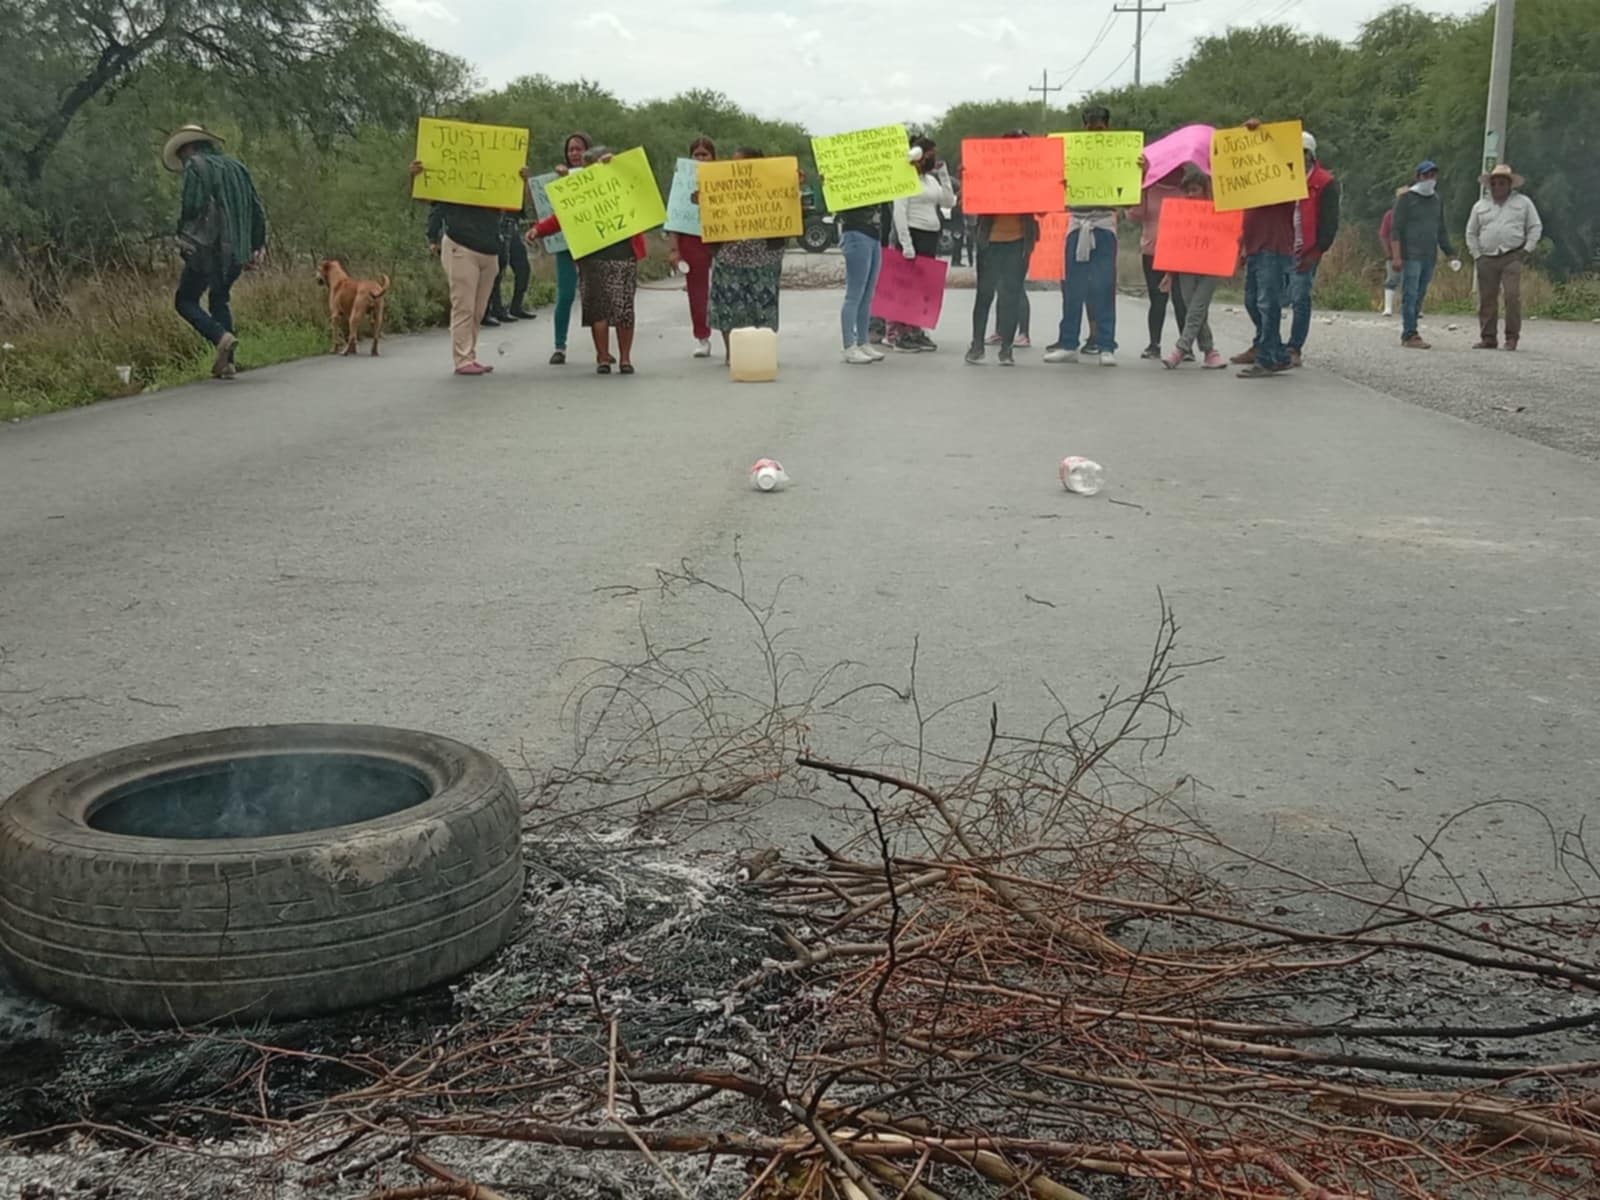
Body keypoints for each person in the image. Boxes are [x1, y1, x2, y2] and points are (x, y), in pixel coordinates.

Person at [163, 124, 267, 379]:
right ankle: (228, 364)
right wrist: (257, 245)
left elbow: (191, 207)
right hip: (238, 250)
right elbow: (257, 209)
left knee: (184, 300)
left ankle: (219, 336)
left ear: (188, 146)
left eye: (181, 153)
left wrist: (182, 236)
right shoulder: (237, 167)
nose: (182, 159)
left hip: (208, 249)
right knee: (219, 298)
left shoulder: (196, 166)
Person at [531, 147, 642, 374]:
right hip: (595, 255)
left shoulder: (618, 185)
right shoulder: (584, 190)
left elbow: (640, 192)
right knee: (603, 310)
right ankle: (608, 357)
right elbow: (562, 216)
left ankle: (619, 358)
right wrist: (538, 230)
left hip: (619, 253)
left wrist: (617, 165)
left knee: (619, 310)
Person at [411, 158, 521, 376]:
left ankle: (469, 354)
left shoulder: (495, 183)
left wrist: (521, 181)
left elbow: (515, 207)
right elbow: (430, 199)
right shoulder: (455, 182)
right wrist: (416, 176)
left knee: (478, 309)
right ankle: (462, 359)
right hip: (461, 246)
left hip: (489, 249)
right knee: (463, 304)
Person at [1045, 105, 1120, 366]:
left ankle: (1106, 345)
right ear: (1084, 126)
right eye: (1090, 126)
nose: (1094, 131)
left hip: (1104, 225)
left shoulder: (1121, 152)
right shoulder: (1071, 153)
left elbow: (1131, 190)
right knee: (1073, 287)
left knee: (1105, 286)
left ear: (1107, 126)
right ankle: (1068, 342)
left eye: (1099, 127)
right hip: (1077, 224)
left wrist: (1140, 170)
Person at [708, 147, 793, 360]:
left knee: (763, 307)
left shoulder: (773, 185)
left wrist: (793, 183)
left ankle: (762, 352)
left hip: (764, 257)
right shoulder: (723, 186)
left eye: (742, 163)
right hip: (730, 256)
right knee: (728, 306)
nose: (735, 167)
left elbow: (789, 206)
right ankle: (732, 354)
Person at [1230, 119, 1296, 379]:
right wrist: (1244, 246)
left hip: (1274, 246)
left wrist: (1261, 133)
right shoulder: (1251, 185)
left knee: (1268, 304)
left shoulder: (1285, 181)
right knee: (1252, 302)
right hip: (1256, 247)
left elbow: (1278, 155)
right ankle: (1275, 351)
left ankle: (1267, 358)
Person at [966, 130, 1037, 367]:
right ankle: (977, 345)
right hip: (990, 242)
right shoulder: (988, 172)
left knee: (1011, 295)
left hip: (1019, 243)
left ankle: (1006, 348)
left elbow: (1044, 209)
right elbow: (966, 201)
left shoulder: (1033, 175)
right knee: (984, 294)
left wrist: (1054, 189)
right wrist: (969, 179)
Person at [888, 137, 955, 352]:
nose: (932, 158)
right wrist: (906, 243)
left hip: (930, 236)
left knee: (923, 288)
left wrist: (943, 176)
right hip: (913, 235)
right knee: (908, 287)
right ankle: (901, 335)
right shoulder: (904, 179)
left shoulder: (930, 180)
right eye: (929, 154)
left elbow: (948, 201)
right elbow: (899, 212)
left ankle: (916, 330)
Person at [1466, 163, 1542, 351]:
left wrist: (1527, 250)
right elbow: (1471, 232)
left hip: (1512, 255)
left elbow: (1535, 226)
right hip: (1486, 257)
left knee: (1511, 295)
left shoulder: (1523, 203)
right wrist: (1477, 255)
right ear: (1489, 185)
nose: (1497, 187)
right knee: (1487, 298)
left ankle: (1512, 337)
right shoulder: (1480, 206)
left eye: (1502, 183)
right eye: (1494, 183)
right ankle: (1488, 337)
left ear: (1509, 185)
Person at [1159, 167, 1229, 370]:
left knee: (1197, 307)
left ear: (1205, 191)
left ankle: (1180, 350)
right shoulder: (1182, 215)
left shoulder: (1218, 211)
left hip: (1211, 266)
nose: (1190, 195)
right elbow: (1175, 245)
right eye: (1187, 191)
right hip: (1186, 266)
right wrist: (1169, 273)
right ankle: (1210, 352)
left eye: (1195, 190)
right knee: (1193, 309)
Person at [1390, 159, 1461, 351]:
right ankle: (1410, 333)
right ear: (1418, 177)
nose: (1430, 179)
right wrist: (1396, 256)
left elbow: (1441, 230)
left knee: (1419, 294)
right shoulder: (1406, 199)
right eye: (1426, 175)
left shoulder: (1436, 200)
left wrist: (1450, 253)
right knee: (1410, 293)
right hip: (1410, 254)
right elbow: (1395, 229)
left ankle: (1412, 328)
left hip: (1429, 255)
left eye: (1433, 175)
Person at [1285, 131, 1340, 368]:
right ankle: (1266, 344)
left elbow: (1330, 222)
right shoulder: (1281, 179)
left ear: (1310, 154)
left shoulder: (1325, 182)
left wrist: (1317, 251)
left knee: (1299, 297)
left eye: (1303, 152)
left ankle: (1294, 347)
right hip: (1281, 245)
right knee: (1268, 298)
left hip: (1307, 249)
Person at [1127, 163, 1189, 359]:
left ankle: (1184, 345)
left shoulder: (1186, 190)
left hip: (1181, 251)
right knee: (1157, 299)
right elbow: (1134, 215)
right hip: (1152, 251)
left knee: (1181, 299)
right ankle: (1154, 344)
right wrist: (1140, 186)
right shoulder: (1149, 188)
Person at [668, 136, 717, 358]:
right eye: (696, 155)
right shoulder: (682, 180)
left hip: (720, 239)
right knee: (697, 292)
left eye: (704, 155)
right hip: (692, 239)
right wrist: (674, 249)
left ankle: (732, 335)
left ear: (713, 157)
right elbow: (674, 217)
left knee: (724, 289)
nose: (700, 159)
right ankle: (702, 337)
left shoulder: (725, 178)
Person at [547, 132, 591, 365]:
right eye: (571, 149)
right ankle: (559, 346)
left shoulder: (597, 177)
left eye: (579, 149)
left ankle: (601, 348)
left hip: (593, 244)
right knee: (565, 295)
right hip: (565, 245)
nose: (574, 153)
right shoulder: (557, 177)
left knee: (595, 297)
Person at [837, 198, 891, 364]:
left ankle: (862, 341)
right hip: (855, 231)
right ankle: (849, 345)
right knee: (855, 294)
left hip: (874, 233)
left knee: (867, 294)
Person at [1377, 190, 1405, 317]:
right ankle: (1388, 307)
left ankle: (1411, 308)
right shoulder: (1390, 215)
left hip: (1411, 253)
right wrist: (1388, 253)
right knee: (1392, 279)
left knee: (1411, 281)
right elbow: (1383, 235)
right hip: (1393, 253)